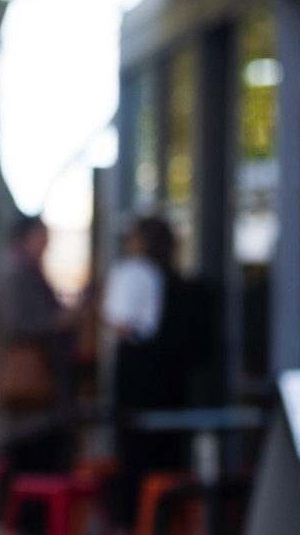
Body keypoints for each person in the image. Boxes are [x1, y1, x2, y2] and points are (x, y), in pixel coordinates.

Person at [109, 216, 196, 531]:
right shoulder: (176, 282)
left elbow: (119, 323)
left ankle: (138, 523)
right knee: (166, 460)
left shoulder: (133, 273)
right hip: (171, 388)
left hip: (138, 383)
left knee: (137, 463)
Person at [0, 214, 76, 477]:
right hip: (30, 389)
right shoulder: (16, 273)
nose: (47, 245)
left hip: (37, 394)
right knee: (34, 465)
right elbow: (18, 324)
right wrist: (59, 322)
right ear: (27, 237)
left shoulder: (25, 271)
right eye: (43, 238)